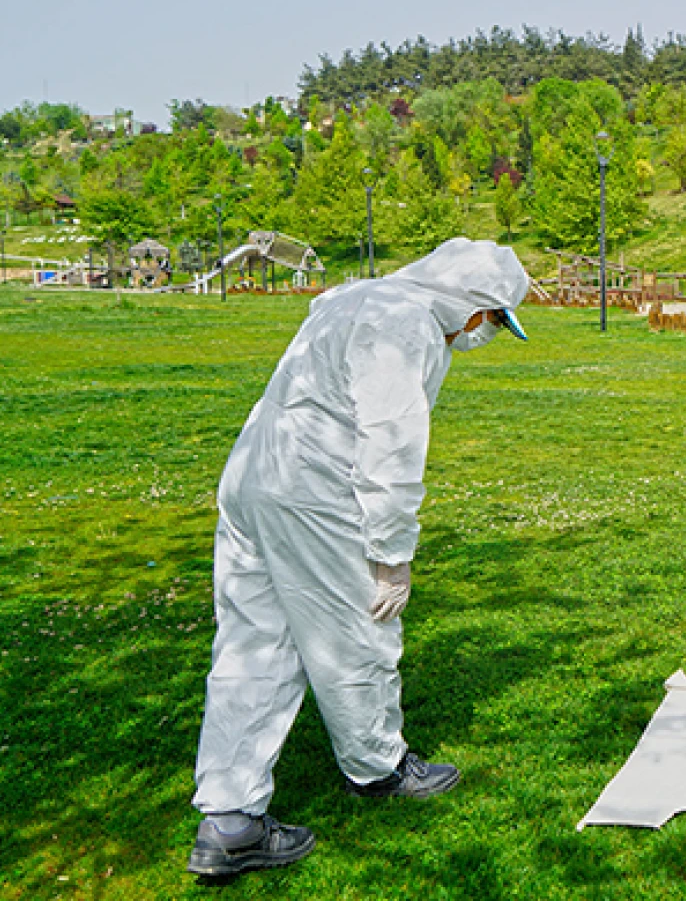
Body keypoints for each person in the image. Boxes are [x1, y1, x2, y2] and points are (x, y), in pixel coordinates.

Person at [186, 239, 531, 880]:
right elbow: (391, 445)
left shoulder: (358, 295)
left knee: (252, 643)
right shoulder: (408, 325)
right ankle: (379, 768)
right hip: (312, 490)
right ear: (474, 303)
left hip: (255, 476)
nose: (480, 335)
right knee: (357, 631)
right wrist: (391, 556)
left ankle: (229, 821)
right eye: (490, 321)